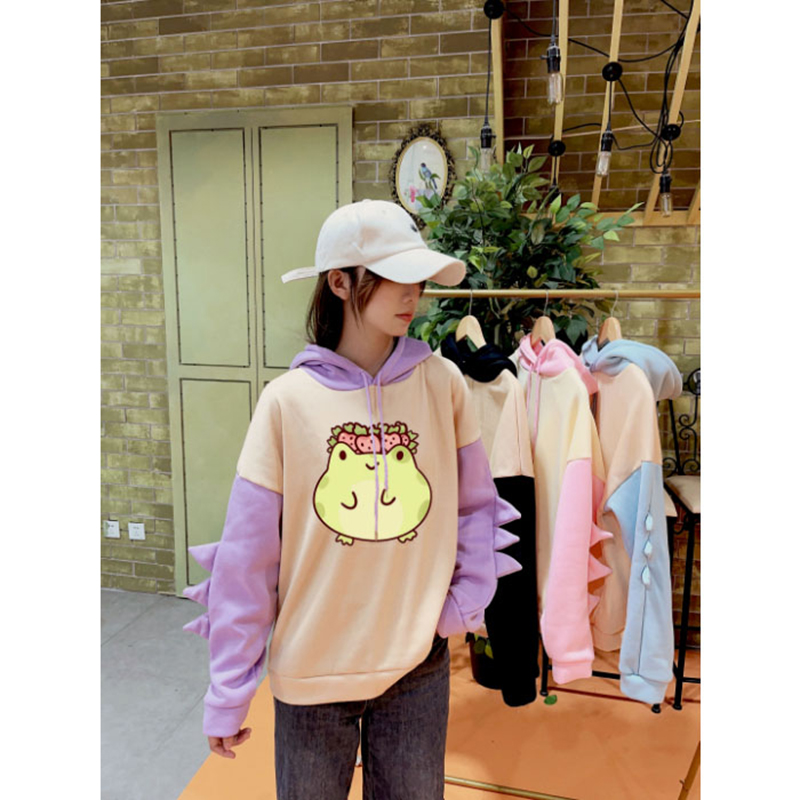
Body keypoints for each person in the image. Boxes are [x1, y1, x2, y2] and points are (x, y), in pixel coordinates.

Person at [182, 199, 524, 799]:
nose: (412, 293)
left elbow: (475, 507)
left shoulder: (443, 384)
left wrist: (460, 607)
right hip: (311, 675)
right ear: (339, 283)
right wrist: (229, 690)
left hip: (417, 668)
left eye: (418, 277)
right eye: (393, 276)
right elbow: (247, 561)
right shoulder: (285, 402)